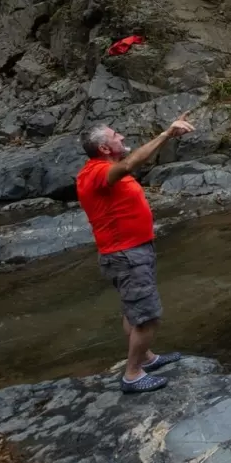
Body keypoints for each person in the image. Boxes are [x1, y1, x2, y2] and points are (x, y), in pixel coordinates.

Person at [76, 114, 194, 394]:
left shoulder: (104, 170)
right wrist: (166, 134)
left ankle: (147, 358)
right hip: (126, 255)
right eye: (116, 135)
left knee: (134, 310)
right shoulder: (96, 173)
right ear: (104, 148)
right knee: (148, 316)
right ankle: (133, 374)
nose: (122, 137)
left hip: (130, 251)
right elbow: (131, 163)